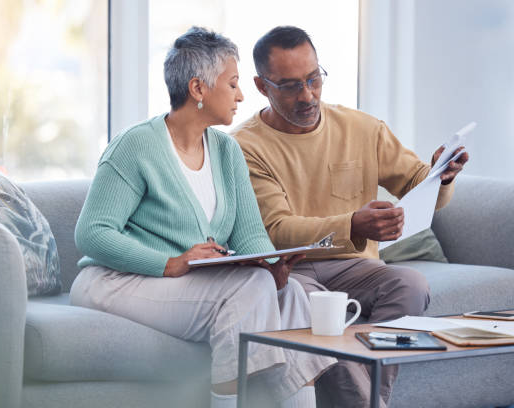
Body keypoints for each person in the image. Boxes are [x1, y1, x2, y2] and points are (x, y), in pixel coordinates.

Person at [70, 26, 335, 408]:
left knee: (289, 292)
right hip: (117, 280)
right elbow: (92, 233)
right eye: (232, 84)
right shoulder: (136, 146)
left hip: (188, 285)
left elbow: (250, 238)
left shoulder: (227, 152)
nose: (242, 95)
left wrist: (274, 266)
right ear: (198, 89)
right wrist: (171, 262)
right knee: (251, 288)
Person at [232, 26, 469, 408]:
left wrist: (442, 175)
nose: (307, 95)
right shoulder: (242, 147)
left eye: (313, 79)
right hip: (292, 269)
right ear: (262, 86)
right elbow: (276, 231)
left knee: (410, 283)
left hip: (355, 267)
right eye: (291, 86)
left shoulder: (362, 128)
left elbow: (416, 183)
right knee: (313, 310)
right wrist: (351, 224)